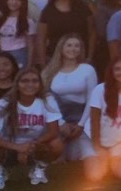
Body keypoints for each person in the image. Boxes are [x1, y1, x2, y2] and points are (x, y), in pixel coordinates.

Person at [0, 65, 64, 189]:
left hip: (34, 145)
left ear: (40, 84)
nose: (30, 84)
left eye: (34, 81)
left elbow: (54, 131)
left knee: (57, 144)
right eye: (24, 81)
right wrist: (17, 147)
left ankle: (40, 168)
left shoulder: (47, 100)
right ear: (17, 84)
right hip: (8, 146)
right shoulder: (5, 103)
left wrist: (32, 145)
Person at [42, 33, 99, 162]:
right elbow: (46, 100)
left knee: (89, 155)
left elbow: (92, 99)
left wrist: (81, 125)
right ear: (61, 48)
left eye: (77, 46)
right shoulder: (49, 72)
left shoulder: (87, 69)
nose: (73, 49)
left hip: (81, 120)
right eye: (69, 45)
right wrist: (61, 124)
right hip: (58, 122)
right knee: (56, 156)